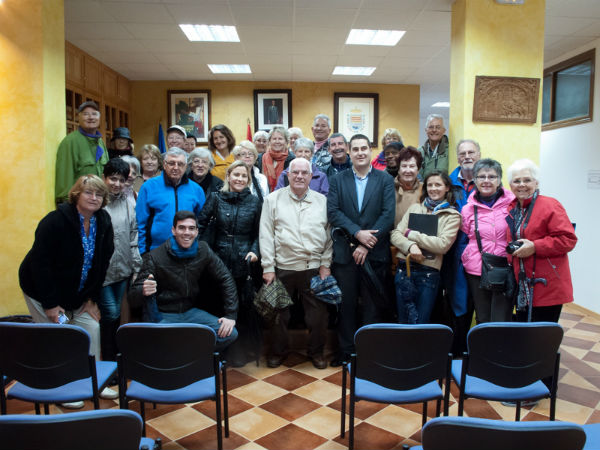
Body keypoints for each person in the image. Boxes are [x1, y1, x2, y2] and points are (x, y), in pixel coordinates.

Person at [19, 175, 116, 406]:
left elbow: (103, 263)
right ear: (76, 195)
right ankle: (63, 389)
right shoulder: (54, 221)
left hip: (77, 293)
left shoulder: (103, 221)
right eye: (88, 193)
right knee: (60, 333)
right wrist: (50, 304)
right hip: (42, 291)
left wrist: (91, 298)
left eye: (99, 194)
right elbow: (40, 265)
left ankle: (94, 382)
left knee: (92, 327)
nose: (94, 198)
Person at [327, 134, 395, 366]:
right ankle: (346, 351)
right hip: (346, 252)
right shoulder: (338, 180)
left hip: (375, 254)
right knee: (345, 305)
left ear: (370, 150)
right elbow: (334, 212)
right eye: (355, 149)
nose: (360, 153)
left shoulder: (385, 179)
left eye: (364, 148)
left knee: (371, 306)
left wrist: (366, 243)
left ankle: (367, 353)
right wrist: (358, 234)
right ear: (348, 151)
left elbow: (388, 215)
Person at [129, 211, 238, 351]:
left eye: (191, 228)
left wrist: (230, 315)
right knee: (159, 345)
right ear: (173, 230)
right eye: (182, 228)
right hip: (165, 314)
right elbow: (132, 297)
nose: (187, 232)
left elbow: (225, 278)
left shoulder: (203, 249)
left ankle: (187, 356)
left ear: (197, 232)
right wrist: (142, 290)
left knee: (230, 334)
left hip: (190, 312)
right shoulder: (154, 257)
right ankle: (184, 357)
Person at [260, 158, 333, 369]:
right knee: (276, 314)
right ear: (287, 175)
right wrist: (268, 267)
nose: (300, 176)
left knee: (318, 315)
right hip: (282, 266)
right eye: (295, 172)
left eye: (304, 173)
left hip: (314, 267)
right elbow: (265, 235)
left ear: (311, 176)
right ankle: (278, 351)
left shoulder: (323, 201)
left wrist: (325, 264)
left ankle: (317, 352)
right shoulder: (272, 200)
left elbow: (329, 237)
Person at [197, 161, 262, 366]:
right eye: (236, 175)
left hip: (244, 263)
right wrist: (206, 252)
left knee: (242, 309)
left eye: (244, 176)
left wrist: (255, 251)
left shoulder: (254, 202)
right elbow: (200, 224)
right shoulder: (216, 198)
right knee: (218, 305)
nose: (240, 179)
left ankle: (238, 353)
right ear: (228, 177)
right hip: (217, 260)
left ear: (248, 180)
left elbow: (260, 233)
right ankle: (217, 351)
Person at [506, 159, 577, 323]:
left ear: (536, 182)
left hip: (547, 286)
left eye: (527, 180)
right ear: (510, 185)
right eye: (517, 181)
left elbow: (568, 239)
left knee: (542, 339)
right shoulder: (513, 208)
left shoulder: (550, 205)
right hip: (523, 286)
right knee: (525, 337)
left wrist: (535, 246)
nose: (522, 184)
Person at [391, 171, 461, 324]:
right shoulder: (414, 208)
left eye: (438, 185)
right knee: (402, 322)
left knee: (421, 323)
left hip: (428, 274)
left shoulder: (452, 215)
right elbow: (395, 235)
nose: (433, 188)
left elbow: (442, 245)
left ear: (447, 188)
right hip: (405, 270)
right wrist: (411, 246)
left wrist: (411, 234)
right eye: (430, 185)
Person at [461, 158, 515, 323]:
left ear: (499, 180)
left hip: (506, 268)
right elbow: (465, 235)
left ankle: (501, 349)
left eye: (491, 177)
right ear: (475, 180)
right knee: (483, 317)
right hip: (477, 269)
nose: (486, 181)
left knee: (502, 317)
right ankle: (483, 349)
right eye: (481, 176)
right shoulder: (467, 209)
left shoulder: (512, 204)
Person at [99, 159, 142, 364]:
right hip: (103, 273)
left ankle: (115, 360)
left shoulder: (127, 203)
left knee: (116, 315)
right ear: (104, 178)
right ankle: (108, 361)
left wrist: (135, 267)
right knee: (110, 313)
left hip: (123, 269)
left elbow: (133, 235)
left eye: (121, 180)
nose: (116, 184)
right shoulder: (97, 202)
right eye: (112, 179)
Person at [442, 139, 481, 354]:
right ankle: (456, 353)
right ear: (457, 157)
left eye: (471, 152)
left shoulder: (487, 180)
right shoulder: (448, 183)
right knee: (456, 303)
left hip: (482, 253)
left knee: (479, 302)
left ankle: (476, 352)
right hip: (452, 251)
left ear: (479, 154)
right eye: (463, 153)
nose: (467, 156)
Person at [136, 148, 205, 254]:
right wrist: (142, 252)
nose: (176, 167)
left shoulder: (197, 190)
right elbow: (140, 223)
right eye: (171, 163)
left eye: (180, 164)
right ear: (164, 164)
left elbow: (201, 223)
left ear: (186, 167)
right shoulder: (148, 187)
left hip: (188, 251)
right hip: (155, 250)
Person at [55, 101, 109, 204]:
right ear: (78, 117)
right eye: (86, 114)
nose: (90, 117)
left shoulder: (100, 142)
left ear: (99, 117)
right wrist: (66, 205)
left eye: (94, 114)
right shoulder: (70, 142)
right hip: (79, 205)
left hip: (98, 203)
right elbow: (65, 178)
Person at [258, 126, 295, 192]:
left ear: (286, 142)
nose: (277, 141)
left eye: (280, 139)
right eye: (274, 139)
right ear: (269, 141)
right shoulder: (259, 159)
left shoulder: (293, 160)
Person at [394, 146, 423, 226]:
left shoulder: (425, 189)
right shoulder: (389, 189)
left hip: (416, 236)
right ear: (398, 169)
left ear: (418, 169)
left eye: (412, 166)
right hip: (392, 236)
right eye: (404, 166)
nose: (408, 170)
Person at [418, 114, 449, 178]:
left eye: (438, 127)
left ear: (444, 131)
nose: (434, 130)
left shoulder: (450, 152)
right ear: (426, 130)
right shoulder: (419, 152)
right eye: (431, 127)